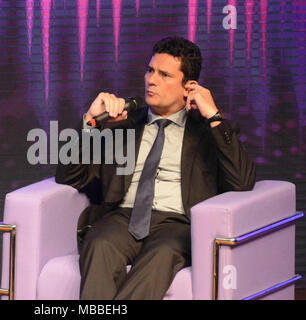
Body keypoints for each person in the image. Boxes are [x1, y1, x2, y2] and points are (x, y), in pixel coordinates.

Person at [55, 36, 256, 300]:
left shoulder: (208, 131)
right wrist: (91, 121)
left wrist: (214, 116)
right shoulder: (121, 123)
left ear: (189, 87)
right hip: (123, 217)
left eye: (164, 75)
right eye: (150, 70)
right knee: (100, 243)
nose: (152, 80)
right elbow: (70, 176)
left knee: (162, 254)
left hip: (178, 224)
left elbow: (242, 182)